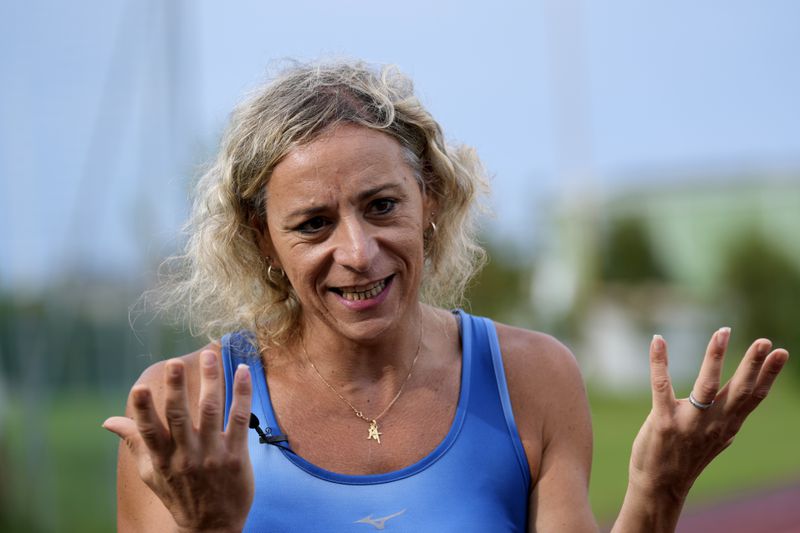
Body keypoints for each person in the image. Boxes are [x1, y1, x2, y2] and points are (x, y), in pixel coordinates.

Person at [103, 61, 790, 532]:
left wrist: (659, 487)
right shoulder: (183, 412)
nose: (358, 251)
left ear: (429, 198)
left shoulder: (532, 377)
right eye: (314, 223)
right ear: (262, 240)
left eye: (380, 206)